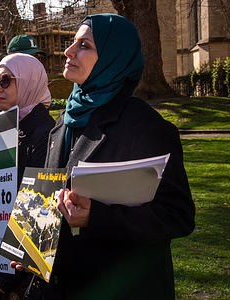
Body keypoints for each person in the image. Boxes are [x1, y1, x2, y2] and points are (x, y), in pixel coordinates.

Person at [14, 14, 196, 300]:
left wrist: (95, 217)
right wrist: (28, 247)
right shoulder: (64, 121)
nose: (68, 51)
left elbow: (178, 216)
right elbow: (50, 197)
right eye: (72, 42)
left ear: (114, 58)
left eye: (84, 45)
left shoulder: (146, 126)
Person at [0, 53, 56, 299]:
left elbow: (39, 216)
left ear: (29, 82)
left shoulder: (46, 133)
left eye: (6, 80)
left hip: (23, 277)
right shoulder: (4, 128)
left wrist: (4, 278)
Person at [0, 35, 46, 122]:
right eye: (26, 57)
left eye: (35, 57)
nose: (31, 62)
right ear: (10, 56)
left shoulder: (38, 85)